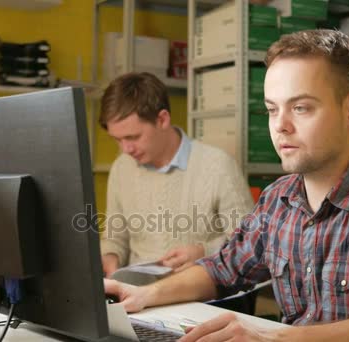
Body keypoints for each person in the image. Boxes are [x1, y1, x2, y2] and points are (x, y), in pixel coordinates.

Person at [104, 29, 349, 341]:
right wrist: (143, 296)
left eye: (301, 108)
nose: (280, 126)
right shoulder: (278, 199)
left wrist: (281, 337)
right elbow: (224, 267)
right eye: (272, 109)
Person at [99, 72, 254, 280]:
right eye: (117, 139)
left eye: (133, 137)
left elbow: (250, 242)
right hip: (138, 295)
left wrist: (204, 252)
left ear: (162, 119)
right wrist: (110, 256)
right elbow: (115, 236)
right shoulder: (122, 168)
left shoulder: (217, 165)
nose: (126, 148)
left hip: (199, 296)